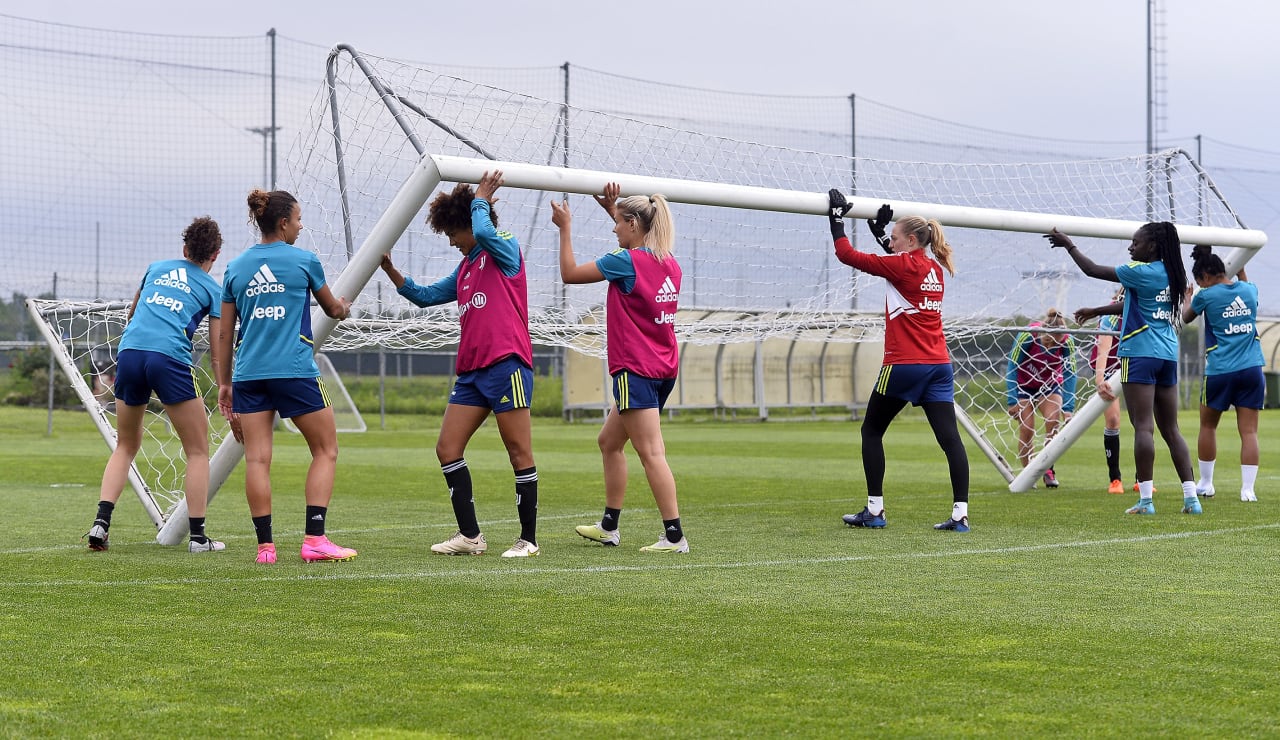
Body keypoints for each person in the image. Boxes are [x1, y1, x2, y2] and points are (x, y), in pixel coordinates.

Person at [379, 171, 540, 558]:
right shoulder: (467, 267)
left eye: (453, 232)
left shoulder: (504, 250)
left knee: (518, 452)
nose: (451, 242)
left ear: (469, 223)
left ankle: (528, 540)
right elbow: (425, 296)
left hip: (507, 367)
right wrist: (391, 271)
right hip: (471, 374)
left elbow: (484, 234)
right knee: (447, 448)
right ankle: (470, 537)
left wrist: (481, 197)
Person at [215, 189, 358, 564]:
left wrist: (224, 384)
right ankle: (314, 540)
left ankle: (266, 548)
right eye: (297, 219)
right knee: (326, 449)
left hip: (248, 376)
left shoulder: (235, 268)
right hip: (294, 372)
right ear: (282, 223)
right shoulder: (304, 261)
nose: (300, 225)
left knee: (258, 461)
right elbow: (331, 307)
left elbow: (225, 334)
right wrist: (343, 307)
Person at [552, 183, 689, 553]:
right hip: (663, 368)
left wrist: (564, 226)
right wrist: (614, 207)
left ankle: (674, 536)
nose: (613, 228)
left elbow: (569, 274)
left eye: (618, 223)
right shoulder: (669, 261)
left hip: (636, 370)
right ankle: (609, 526)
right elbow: (636, 244)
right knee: (609, 442)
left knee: (651, 452)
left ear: (632, 223)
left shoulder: (625, 262)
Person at [828, 192, 972, 532]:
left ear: (910, 240)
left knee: (871, 430)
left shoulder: (904, 265)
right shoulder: (933, 268)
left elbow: (846, 254)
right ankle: (960, 515)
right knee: (950, 439)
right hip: (939, 365)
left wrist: (836, 218)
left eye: (893, 238)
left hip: (904, 365)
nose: (889, 243)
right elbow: (899, 264)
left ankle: (875, 511)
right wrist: (879, 231)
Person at [86, 217, 227, 553]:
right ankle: (197, 539)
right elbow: (219, 348)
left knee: (125, 445)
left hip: (131, 354)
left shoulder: (156, 268)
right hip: (168, 359)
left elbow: (134, 315)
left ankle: (100, 524)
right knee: (197, 450)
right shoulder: (212, 289)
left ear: (184, 248)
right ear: (216, 255)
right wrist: (225, 387)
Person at [1048, 223, 1200, 515]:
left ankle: (1146, 500)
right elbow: (1136, 305)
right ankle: (1191, 499)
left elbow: (1091, 269)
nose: (1131, 248)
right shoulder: (1174, 274)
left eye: (1135, 243)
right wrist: (1097, 311)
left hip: (1140, 354)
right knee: (1172, 429)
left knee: (1143, 427)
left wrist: (1068, 244)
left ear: (1152, 246)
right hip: (1168, 355)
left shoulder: (1139, 271)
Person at [1182, 245, 1263, 502]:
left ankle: (1206, 483)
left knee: (1208, 425)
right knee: (1249, 431)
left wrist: (1187, 296)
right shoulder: (1249, 291)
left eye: (1199, 282)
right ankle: (1247, 490)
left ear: (1205, 277)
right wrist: (1240, 264)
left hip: (1220, 370)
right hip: (1252, 369)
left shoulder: (1206, 295)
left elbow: (1185, 317)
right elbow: (1243, 279)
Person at [1005, 308, 1078, 488]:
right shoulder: (1028, 336)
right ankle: (1028, 474)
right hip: (1024, 385)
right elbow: (1012, 366)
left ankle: (1047, 469)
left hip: (1049, 385)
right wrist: (1012, 400)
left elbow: (1070, 374)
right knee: (1027, 429)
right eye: (1047, 344)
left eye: (1054, 346)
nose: (1050, 349)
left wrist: (1068, 409)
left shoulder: (1067, 341)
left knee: (1053, 422)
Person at [1088, 288, 1127, 494]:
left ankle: (1143, 480)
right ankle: (1115, 479)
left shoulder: (1144, 309)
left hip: (1134, 365)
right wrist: (1100, 378)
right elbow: (1104, 343)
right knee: (1112, 420)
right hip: (1111, 370)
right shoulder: (1111, 313)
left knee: (1144, 421)